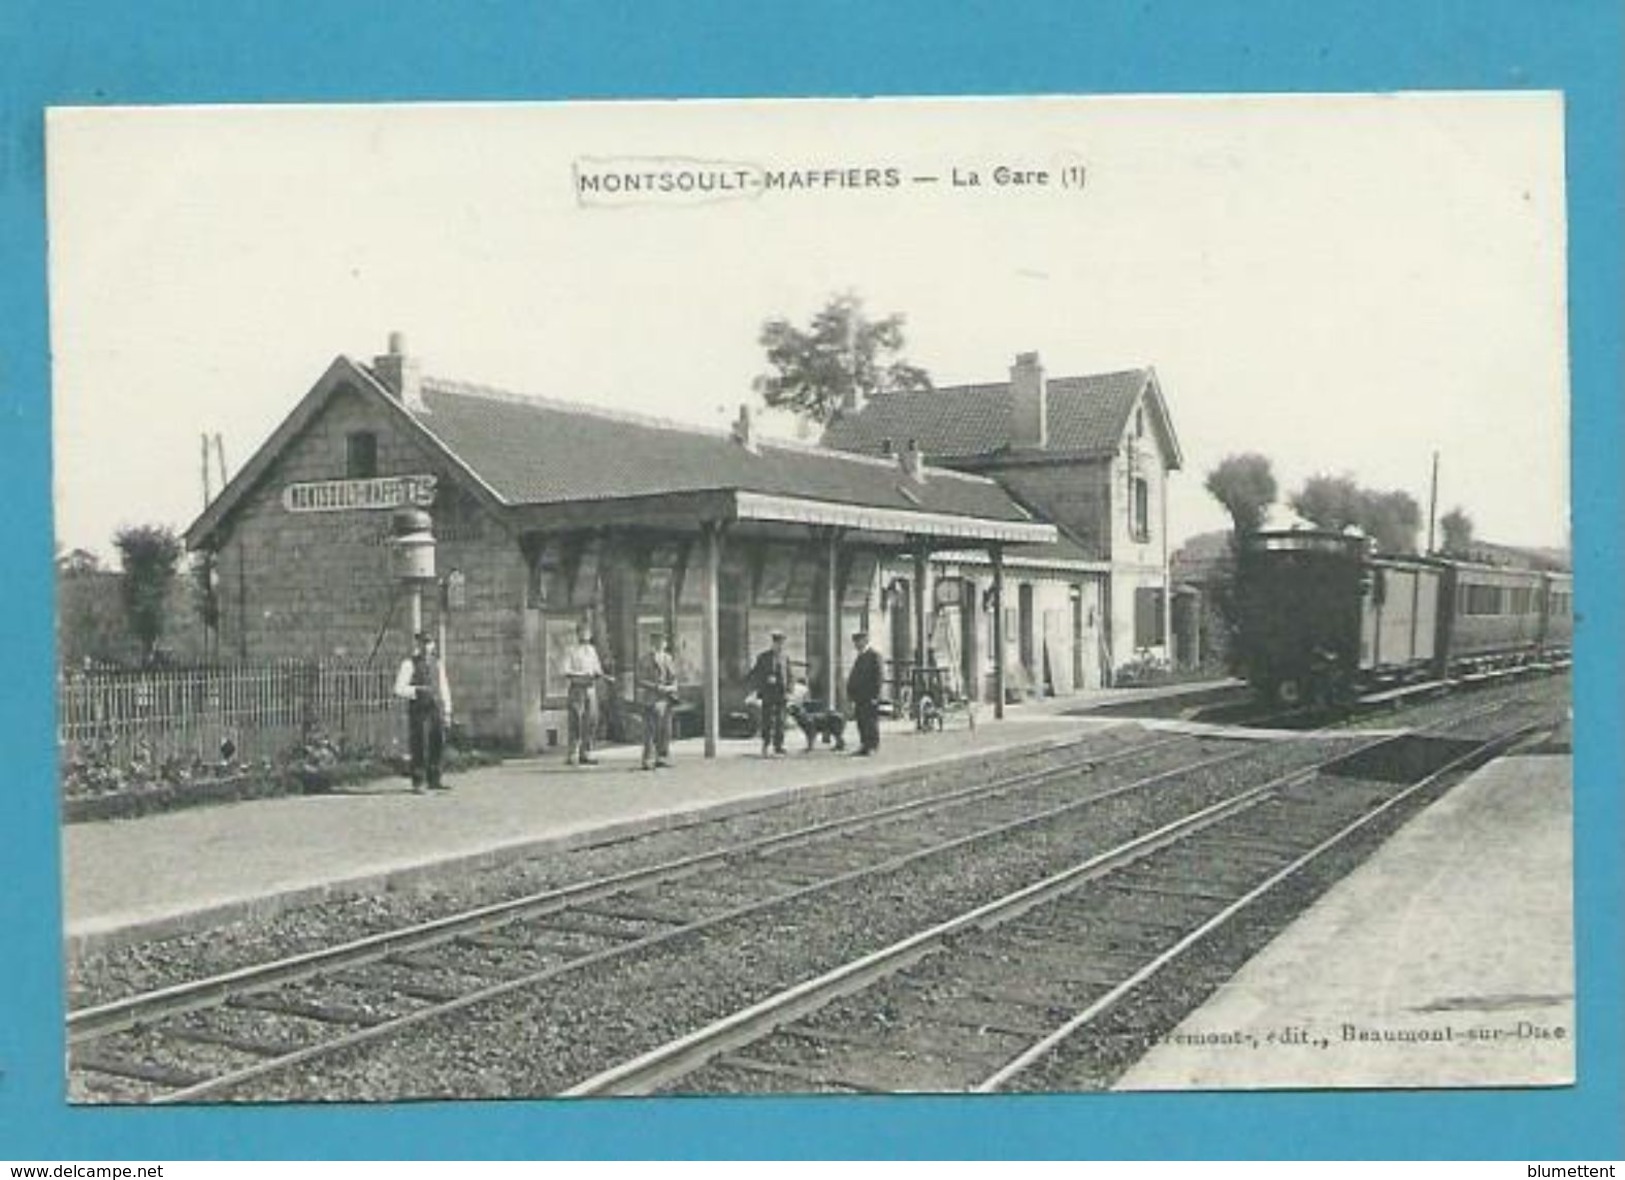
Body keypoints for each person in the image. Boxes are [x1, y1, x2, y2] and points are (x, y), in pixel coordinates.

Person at [394, 630, 453, 792]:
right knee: (419, 743)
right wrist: (416, 691)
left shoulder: (437, 663)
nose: (427, 646)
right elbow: (399, 688)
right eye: (423, 643)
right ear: (418, 645)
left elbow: (444, 687)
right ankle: (418, 780)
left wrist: (447, 710)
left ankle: (435, 778)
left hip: (435, 707)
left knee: (437, 741)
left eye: (429, 643)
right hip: (419, 708)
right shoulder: (409, 664)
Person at [561, 618, 604, 766]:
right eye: (582, 632)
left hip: (590, 689)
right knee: (576, 720)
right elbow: (565, 671)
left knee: (591, 720)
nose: (585, 635)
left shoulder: (592, 651)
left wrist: (597, 673)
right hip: (577, 688)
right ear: (577, 633)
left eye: (587, 632)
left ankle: (587, 752)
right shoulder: (571, 650)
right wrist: (581, 675)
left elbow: (598, 668)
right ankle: (572, 753)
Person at [637, 629, 679, 771]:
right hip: (651, 698)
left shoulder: (668, 659)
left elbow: (674, 678)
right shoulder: (645, 659)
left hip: (666, 699)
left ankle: (662, 757)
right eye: (657, 641)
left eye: (662, 641)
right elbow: (640, 680)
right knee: (650, 730)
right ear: (652, 643)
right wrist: (655, 686)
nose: (660, 644)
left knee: (665, 730)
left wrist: (671, 688)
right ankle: (647, 759)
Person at [748, 629, 793, 756]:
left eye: (781, 643)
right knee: (767, 719)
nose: (779, 646)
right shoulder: (763, 657)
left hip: (781, 693)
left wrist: (790, 689)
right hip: (768, 693)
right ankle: (766, 743)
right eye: (777, 643)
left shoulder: (785, 657)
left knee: (781, 720)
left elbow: (790, 675)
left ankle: (778, 745)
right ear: (773, 643)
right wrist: (763, 682)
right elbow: (755, 674)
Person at [846, 629, 883, 756]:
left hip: (869, 696)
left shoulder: (874, 655)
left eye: (859, 641)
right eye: (855, 642)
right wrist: (851, 694)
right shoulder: (860, 657)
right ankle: (864, 744)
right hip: (859, 697)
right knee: (861, 721)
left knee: (870, 721)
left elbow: (878, 677)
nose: (856, 644)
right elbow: (855, 677)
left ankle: (872, 746)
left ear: (865, 641)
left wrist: (875, 696)